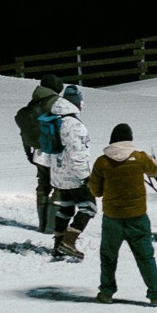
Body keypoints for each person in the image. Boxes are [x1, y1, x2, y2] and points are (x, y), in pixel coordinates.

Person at [87, 123, 157, 305]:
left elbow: (95, 191)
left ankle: (106, 292)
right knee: (145, 257)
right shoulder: (139, 157)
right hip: (137, 217)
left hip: (112, 219)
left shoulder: (102, 162)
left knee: (108, 257)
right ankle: (156, 295)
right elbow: (155, 170)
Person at [49, 85, 96, 260]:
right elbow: (78, 154)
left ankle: (57, 245)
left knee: (66, 207)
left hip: (59, 174)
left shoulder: (57, 119)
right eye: (81, 102)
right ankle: (68, 242)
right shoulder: (75, 125)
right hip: (74, 176)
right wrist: (85, 176)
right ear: (76, 103)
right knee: (89, 207)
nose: (82, 105)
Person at [13, 73, 65, 233]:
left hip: (38, 151)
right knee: (59, 186)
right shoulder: (55, 102)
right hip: (55, 150)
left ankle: (43, 225)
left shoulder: (34, 101)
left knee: (43, 185)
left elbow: (24, 131)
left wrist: (28, 152)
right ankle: (51, 227)